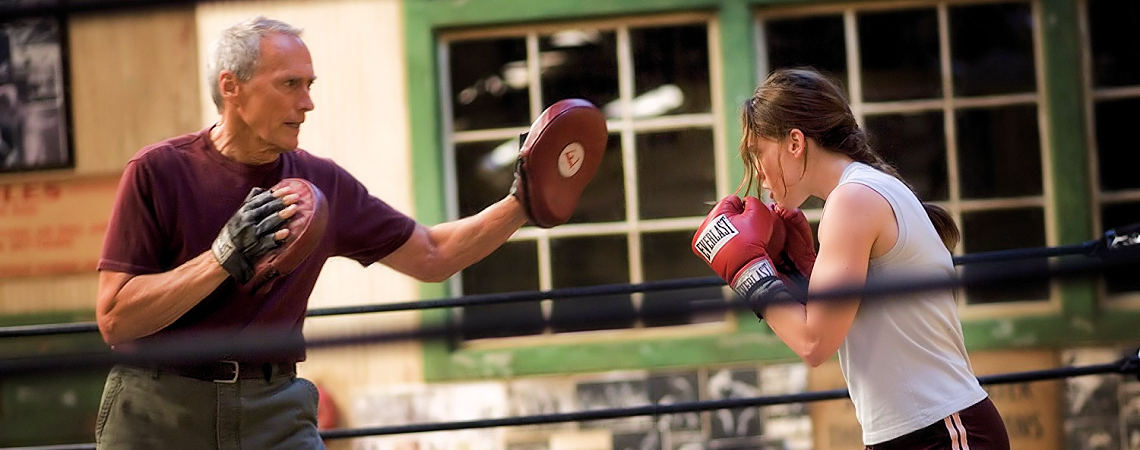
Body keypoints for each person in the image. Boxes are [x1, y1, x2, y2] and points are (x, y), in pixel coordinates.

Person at [94, 17, 550, 449]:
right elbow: (116, 319)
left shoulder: (322, 185)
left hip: (273, 409)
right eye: (290, 84)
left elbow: (432, 255)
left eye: (309, 85)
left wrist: (521, 205)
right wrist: (222, 256)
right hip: (159, 409)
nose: (308, 102)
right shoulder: (159, 171)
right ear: (231, 86)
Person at [692, 68, 1009, 449]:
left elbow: (814, 344)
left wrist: (749, 273)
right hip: (913, 431)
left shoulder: (853, 199)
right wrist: (796, 275)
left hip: (942, 428)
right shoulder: (862, 191)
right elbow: (840, 325)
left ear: (795, 142)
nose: (758, 171)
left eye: (759, 152)